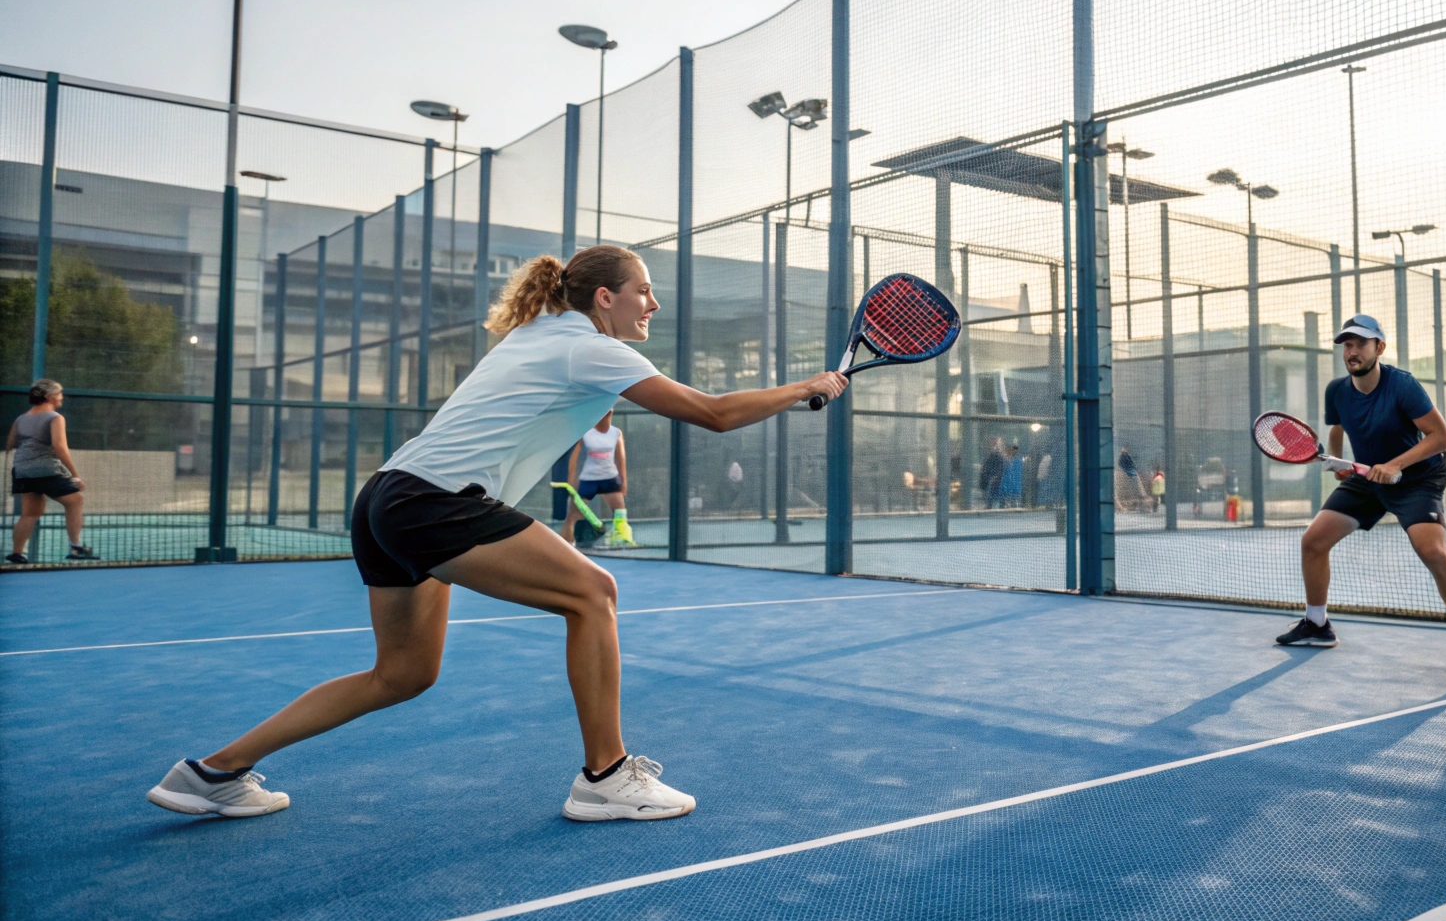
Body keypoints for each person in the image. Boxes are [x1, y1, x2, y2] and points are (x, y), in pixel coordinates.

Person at [145, 245, 847, 821]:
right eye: (643, 291)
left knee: (403, 674)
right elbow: (714, 412)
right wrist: (803, 385)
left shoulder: (542, 331)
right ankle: (605, 777)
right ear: (604, 298)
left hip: (386, 498)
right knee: (592, 592)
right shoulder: (588, 348)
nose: (652, 305)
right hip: (434, 503)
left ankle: (211, 772)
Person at [1280, 314, 1446, 677]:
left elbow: (1441, 438)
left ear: (1379, 348)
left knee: (1432, 551)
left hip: (1418, 477)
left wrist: (1395, 465)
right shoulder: (1337, 390)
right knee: (1313, 541)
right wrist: (1339, 464)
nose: (1352, 351)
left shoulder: (1403, 386)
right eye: (1347, 345)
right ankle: (1317, 625)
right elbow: (1337, 429)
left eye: (1360, 344)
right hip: (1367, 476)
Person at [7, 378, 98, 564]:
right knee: (75, 499)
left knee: (30, 513)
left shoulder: (21, 418)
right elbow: (60, 447)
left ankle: (17, 553)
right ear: (49, 396)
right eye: (59, 394)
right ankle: (76, 547)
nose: (61, 397)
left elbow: (10, 444)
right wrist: (75, 476)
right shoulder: (55, 417)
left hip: (22, 469)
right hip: (45, 468)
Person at [561, 410, 634, 549]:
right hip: (589, 480)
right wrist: (571, 481)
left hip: (610, 479)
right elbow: (573, 460)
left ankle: (621, 540)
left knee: (620, 513)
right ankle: (565, 546)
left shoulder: (616, 433)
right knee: (572, 514)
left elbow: (621, 459)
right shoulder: (585, 432)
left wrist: (623, 483)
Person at [979, 437, 1007, 509]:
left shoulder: (999, 457)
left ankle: (996, 505)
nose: (995, 447)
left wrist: (995, 476)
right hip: (991, 478)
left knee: (994, 492)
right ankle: (991, 505)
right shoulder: (991, 456)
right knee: (992, 493)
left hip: (996, 479)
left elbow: (1001, 468)